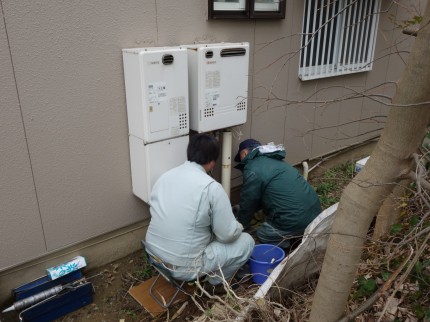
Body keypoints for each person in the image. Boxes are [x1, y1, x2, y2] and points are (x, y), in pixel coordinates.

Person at [145, 134, 255, 288]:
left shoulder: (165, 177)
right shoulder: (212, 188)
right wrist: (239, 226)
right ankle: (216, 282)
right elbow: (227, 235)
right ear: (212, 162)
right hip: (183, 267)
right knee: (246, 241)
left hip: (153, 254)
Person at [234, 139, 321, 249]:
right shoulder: (277, 162)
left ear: (245, 153)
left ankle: (288, 245)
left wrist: (240, 225)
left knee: (263, 234)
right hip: (315, 214)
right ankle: (298, 235)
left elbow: (249, 201)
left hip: (294, 220)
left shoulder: (252, 168)